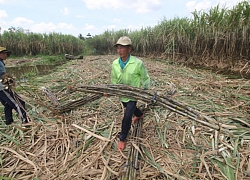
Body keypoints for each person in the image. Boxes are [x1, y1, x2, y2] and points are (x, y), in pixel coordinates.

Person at [111, 36, 150, 151]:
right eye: (118, 47)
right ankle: (139, 114)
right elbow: (113, 79)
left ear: (129, 49)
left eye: (122, 47)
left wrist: (145, 90)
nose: (119, 50)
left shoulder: (137, 63)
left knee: (127, 116)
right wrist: (111, 90)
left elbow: (145, 78)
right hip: (122, 94)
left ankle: (122, 138)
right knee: (128, 107)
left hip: (133, 94)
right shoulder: (114, 64)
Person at [0, 47, 29, 125]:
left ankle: (9, 122)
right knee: (19, 103)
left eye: (6, 53)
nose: (5, 55)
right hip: (2, 88)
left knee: (7, 104)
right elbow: (2, 75)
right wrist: (7, 79)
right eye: (3, 53)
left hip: (2, 87)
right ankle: (25, 121)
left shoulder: (1, 62)